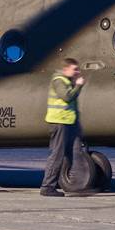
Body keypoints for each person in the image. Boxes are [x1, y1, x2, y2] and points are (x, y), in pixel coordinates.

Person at [41, 58, 86, 196]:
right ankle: (47, 187)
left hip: (69, 123)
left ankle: (78, 184)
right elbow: (66, 97)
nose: (77, 71)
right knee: (57, 155)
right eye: (75, 69)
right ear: (66, 69)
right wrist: (78, 86)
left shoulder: (67, 81)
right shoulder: (59, 80)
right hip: (59, 123)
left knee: (76, 152)